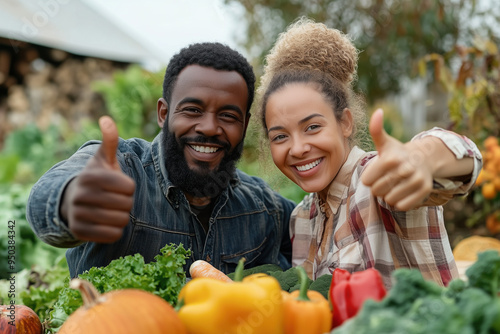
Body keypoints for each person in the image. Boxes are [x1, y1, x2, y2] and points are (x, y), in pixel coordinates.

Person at [26, 42, 295, 278]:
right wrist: (71, 203)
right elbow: (45, 200)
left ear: (245, 125)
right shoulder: (123, 170)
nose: (210, 127)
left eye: (228, 115)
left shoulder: (263, 207)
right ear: (164, 113)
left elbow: (312, 226)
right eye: (193, 110)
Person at [257, 18, 483, 289]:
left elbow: (467, 159)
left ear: (345, 123)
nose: (297, 148)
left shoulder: (376, 181)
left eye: (313, 127)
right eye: (280, 136)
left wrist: (423, 157)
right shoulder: (302, 218)